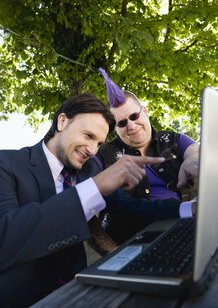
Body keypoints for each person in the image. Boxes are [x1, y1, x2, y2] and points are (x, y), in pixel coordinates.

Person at [0, 92, 184, 308]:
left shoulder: (90, 168)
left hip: (83, 293)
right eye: (88, 136)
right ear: (62, 121)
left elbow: (129, 208)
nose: (92, 150)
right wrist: (94, 188)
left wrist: (190, 209)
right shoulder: (7, 164)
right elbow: (8, 238)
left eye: (99, 143)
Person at [94, 69, 199, 244]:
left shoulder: (174, 140)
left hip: (190, 228)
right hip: (138, 242)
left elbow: (195, 152)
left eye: (134, 116)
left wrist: (193, 162)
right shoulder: (104, 156)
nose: (131, 126)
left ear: (145, 110)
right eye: (122, 123)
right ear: (115, 128)